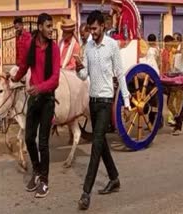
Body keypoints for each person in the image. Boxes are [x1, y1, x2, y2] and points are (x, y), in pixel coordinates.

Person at [75, 10, 131, 210]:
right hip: (93, 101)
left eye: (95, 28)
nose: (92, 32)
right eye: (90, 29)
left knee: (96, 145)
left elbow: (120, 73)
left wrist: (126, 100)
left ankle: (85, 192)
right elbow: (84, 75)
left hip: (107, 101)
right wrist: (78, 67)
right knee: (101, 143)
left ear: (103, 27)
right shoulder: (88, 47)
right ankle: (114, 178)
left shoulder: (112, 46)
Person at [10, 13, 60, 198]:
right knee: (29, 139)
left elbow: (55, 79)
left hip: (47, 100)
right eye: (48, 26)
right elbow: (24, 65)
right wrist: (14, 79)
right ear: (39, 27)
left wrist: (39, 88)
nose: (50, 29)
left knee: (43, 143)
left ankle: (44, 180)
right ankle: (37, 171)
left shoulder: (54, 48)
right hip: (34, 99)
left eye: (51, 26)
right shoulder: (31, 45)